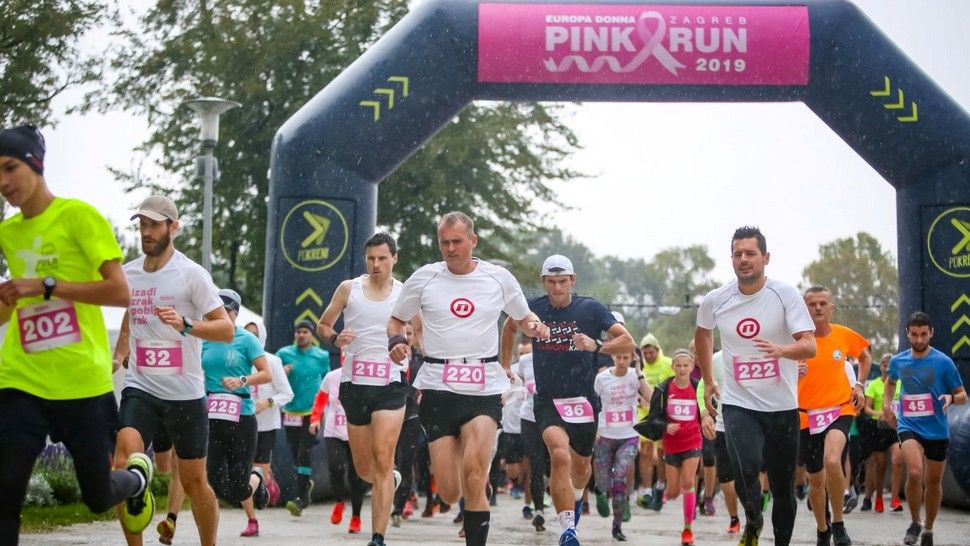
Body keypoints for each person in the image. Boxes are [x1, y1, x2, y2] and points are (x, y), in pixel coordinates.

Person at [0, 125, 147, 545]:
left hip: (79, 381)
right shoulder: (8, 233)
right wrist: (12, 296)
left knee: (98, 496)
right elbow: (12, 308)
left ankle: (135, 480)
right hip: (20, 378)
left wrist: (45, 285)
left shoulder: (78, 216)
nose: (3, 183)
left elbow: (121, 293)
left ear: (36, 164)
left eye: (10, 168)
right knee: (5, 492)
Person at [388, 211, 549, 546]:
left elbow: (523, 317)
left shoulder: (498, 278)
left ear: (472, 241)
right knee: (449, 491)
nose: (450, 248)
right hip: (438, 388)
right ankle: (469, 479)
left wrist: (534, 326)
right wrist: (397, 342)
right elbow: (395, 320)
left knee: (475, 474)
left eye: (457, 241)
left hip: (483, 386)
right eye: (444, 242)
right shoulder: (424, 279)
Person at [112, 194, 234, 546]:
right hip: (142, 387)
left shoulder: (191, 275)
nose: (146, 232)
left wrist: (185, 325)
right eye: (142, 225)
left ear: (173, 228)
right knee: (122, 461)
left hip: (185, 395)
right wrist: (121, 353)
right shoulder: (129, 273)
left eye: (154, 225)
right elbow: (129, 315)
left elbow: (224, 329)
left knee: (196, 482)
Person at [501, 253, 635, 546]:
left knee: (581, 467)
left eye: (563, 281)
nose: (558, 288)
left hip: (583, 401)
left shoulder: (591, 309)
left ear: (572, 280)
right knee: (558, 456)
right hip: (548, 400)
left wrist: (597, 345)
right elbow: (511, 325)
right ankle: (567, 530)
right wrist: (505, 364)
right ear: (544, 282)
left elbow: (628, 342)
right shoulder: (532, 308)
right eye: (552, 282)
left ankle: (574, 499)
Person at [695, 226, 816, 546]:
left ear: (766, 257)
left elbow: (809, 346)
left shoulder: (785, 295)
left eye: (750, 253)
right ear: (731, 259)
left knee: (781, 485)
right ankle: (753, 517)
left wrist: (781, 351)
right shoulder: (716, 299)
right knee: (744, 466)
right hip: (739, 402)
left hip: (781, 406)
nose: (744, 260)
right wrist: (708, 381)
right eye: (738, 254)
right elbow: (703, 333)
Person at [318, 232, 408, 546]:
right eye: (371, 258)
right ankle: (389, 481)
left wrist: (407, 346)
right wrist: (334, 338)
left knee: (384, 457)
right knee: (364, 468)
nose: (376, 264)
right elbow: (323, 324)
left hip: (390, 385)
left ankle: (378, 537)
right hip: (354, 384)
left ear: (394, 258)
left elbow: (421, 332)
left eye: (383, 258)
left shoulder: (406, 292)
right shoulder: (349, 289)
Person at [883, 312, 966, 546]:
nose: (919, 339)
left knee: (933, 481)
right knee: (916, 472)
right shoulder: (899, 361)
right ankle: (915, 521)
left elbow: (962, 395)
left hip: (937, 429)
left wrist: (951, 398)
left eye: (923, 334)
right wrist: (886, 405)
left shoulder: (943, 362)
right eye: (914, 334)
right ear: (907, 333)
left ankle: (928, 528)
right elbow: (890, 382)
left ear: (931, 333)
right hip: (909, 424)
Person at [797, 287, 871, 546]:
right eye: (812, 304)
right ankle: (822, 528)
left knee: (832, 459)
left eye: (822, 304)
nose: (817, 308)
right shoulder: (795, 339)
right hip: (805, 416)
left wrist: (859, 385)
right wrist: (792, 369)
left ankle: (838, 524)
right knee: (815, 481)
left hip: (840, 408)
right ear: (803, 308)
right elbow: (774, 368)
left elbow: (864, 356)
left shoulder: (843, 335)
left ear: (832, 307)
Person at [200, 289, 271, 534]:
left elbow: (266, 373)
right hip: (213, 418)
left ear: (235, 313)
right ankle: (254, 481)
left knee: (240, 488)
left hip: (241, 418)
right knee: (215, 484)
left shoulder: (246, 339)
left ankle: (257, 478)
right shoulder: (204, 340)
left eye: (226, 311)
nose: (220, 316)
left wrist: (241, 380)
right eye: (216, 311)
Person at [241, 319, 294, 535]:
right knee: (244, 475)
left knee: (258, 472)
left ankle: (267, 480)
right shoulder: (237, 359)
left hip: (266, 427)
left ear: (262, 337)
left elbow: (287, 393)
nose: (251, 338)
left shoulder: (272, 361)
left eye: (255, 334)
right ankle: (252, 520)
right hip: (242, 424)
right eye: (247, 334)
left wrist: (268, 402)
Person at [593, 349, 652, 542]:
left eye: (626, 357)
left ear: (631, 359)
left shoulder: (635, 377)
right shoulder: (602, 378)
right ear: (613, 357)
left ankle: (617, 526)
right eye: (618, 357)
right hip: (605, 435)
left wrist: (639, 371)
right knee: (603, 479)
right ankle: (600, 491)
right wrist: (595, 430)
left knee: (619, 477)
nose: (621, 361)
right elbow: (593, 404)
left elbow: (650, 398)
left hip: (629, 436)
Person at [648, 349, 703, 546]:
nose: (681, 369)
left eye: (685, 365)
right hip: (671, 444)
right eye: (678, 365)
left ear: (692, 367)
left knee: (688, 483)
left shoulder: (698, 388)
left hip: (693, 441)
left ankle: (687, 529)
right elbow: (653, 418)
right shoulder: (663, 389)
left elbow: (707, 412)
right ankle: (662, 491)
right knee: (673, 492)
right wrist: (665, 426)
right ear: (673, 367)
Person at [278, 320, 330, 516]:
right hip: (290, 410)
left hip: (312, 412)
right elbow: (273, 377)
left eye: (305, 332)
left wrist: (325, 410)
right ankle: (305, 483)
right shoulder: (284, 354)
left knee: (304, 452)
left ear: (311, 335)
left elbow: (327, 383)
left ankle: (299, 498)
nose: (301, 335)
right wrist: (283, 372)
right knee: (294, 452)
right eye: (298, 332)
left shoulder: (321, 356)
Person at [311, 365, 367, 534]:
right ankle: (339, 501)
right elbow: (320, 399)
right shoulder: (332, 376)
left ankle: (356, 516)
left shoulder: (365, 376)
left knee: (356, 476)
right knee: (336, 467)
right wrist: (315, 419)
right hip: (334, 431)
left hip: (358, 432)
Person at [698, 351, 742, 534]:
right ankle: (734, 518)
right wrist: (705, 413)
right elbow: (702, 387)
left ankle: (754, 513)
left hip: (752, 423)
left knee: (749, 473)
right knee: (725, 477)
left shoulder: (757, 352)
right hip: (724, 424)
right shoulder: (716, 359)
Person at [392, 322, 428, 524]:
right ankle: (396, 496)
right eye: (402, 333)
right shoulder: (389, 355)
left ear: (415, 337)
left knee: (406, 461)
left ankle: (399, 506)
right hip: (390, 412)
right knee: (390, 460)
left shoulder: (422, 360)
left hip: (412, 415)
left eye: (409, 334)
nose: (406, 337)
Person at [635, 333, 674, 511]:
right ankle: (648, 490)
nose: (649, 356)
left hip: (662, 416)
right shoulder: (639, 366)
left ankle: (660, 487)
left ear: (657, 350)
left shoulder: (667, 364)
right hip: (644, 415)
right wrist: (638, 399)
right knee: (645, 453)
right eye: (646, 353)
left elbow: (675, 385)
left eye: (651, 352)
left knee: (662, 453)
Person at [516, 339, 551, 531]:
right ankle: (539, 511)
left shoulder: (555, 357)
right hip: (529, 417)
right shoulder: (524, 361)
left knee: (551, 464)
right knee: (535, 465)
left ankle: (549, 483)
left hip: (552, 418)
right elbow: (521, 381)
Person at [862, 353, 903, 513]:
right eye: (884, 363)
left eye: (890, 363)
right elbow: (867, 408)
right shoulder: (874, 385)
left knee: (898, 460)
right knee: (880, 465)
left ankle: (894, 499)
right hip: (878, 428)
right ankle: (878, 497)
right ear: (880, 367)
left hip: (895, 428)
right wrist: (879, 413)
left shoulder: (900, 383)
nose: (887, 365)